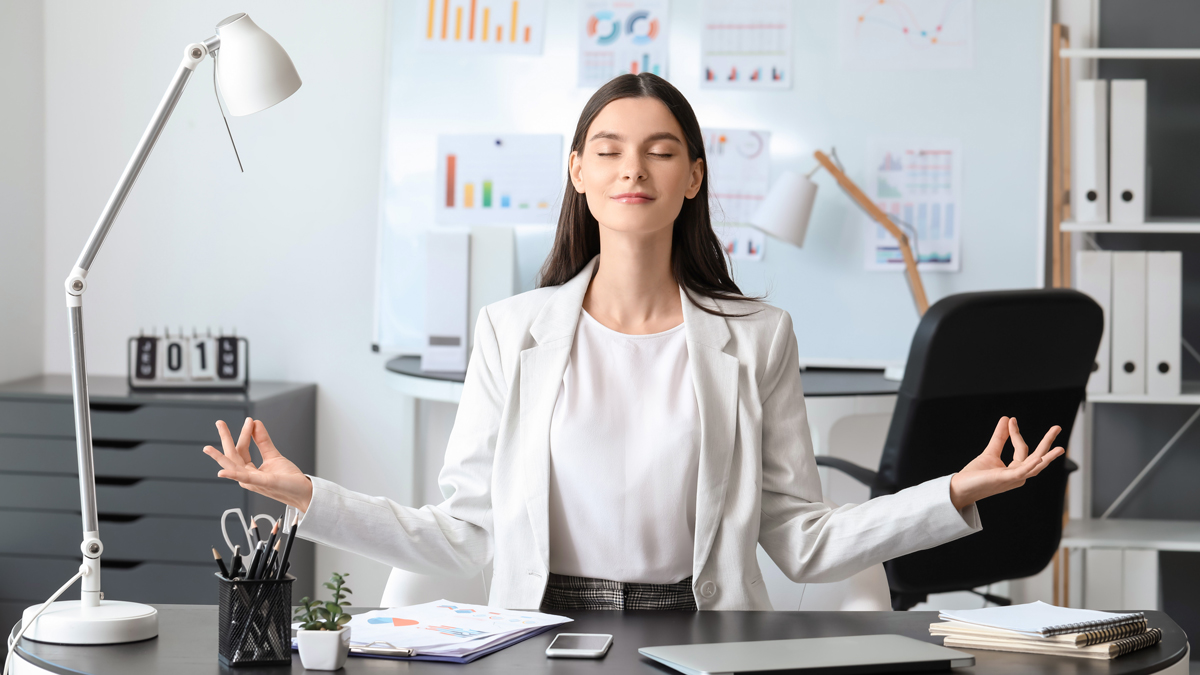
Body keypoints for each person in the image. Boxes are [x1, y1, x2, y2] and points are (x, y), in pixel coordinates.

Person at [204, 73, 1064, 612]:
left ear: (692, 179)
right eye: (609, 150)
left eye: (660, 152)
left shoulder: (758, 336)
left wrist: (952, 492)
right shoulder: (513, 330)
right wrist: (305, 492)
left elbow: (801, 539)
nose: (633, 171)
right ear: (579, 170)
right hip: (544, 630)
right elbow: (461, 534)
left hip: (704, 628)